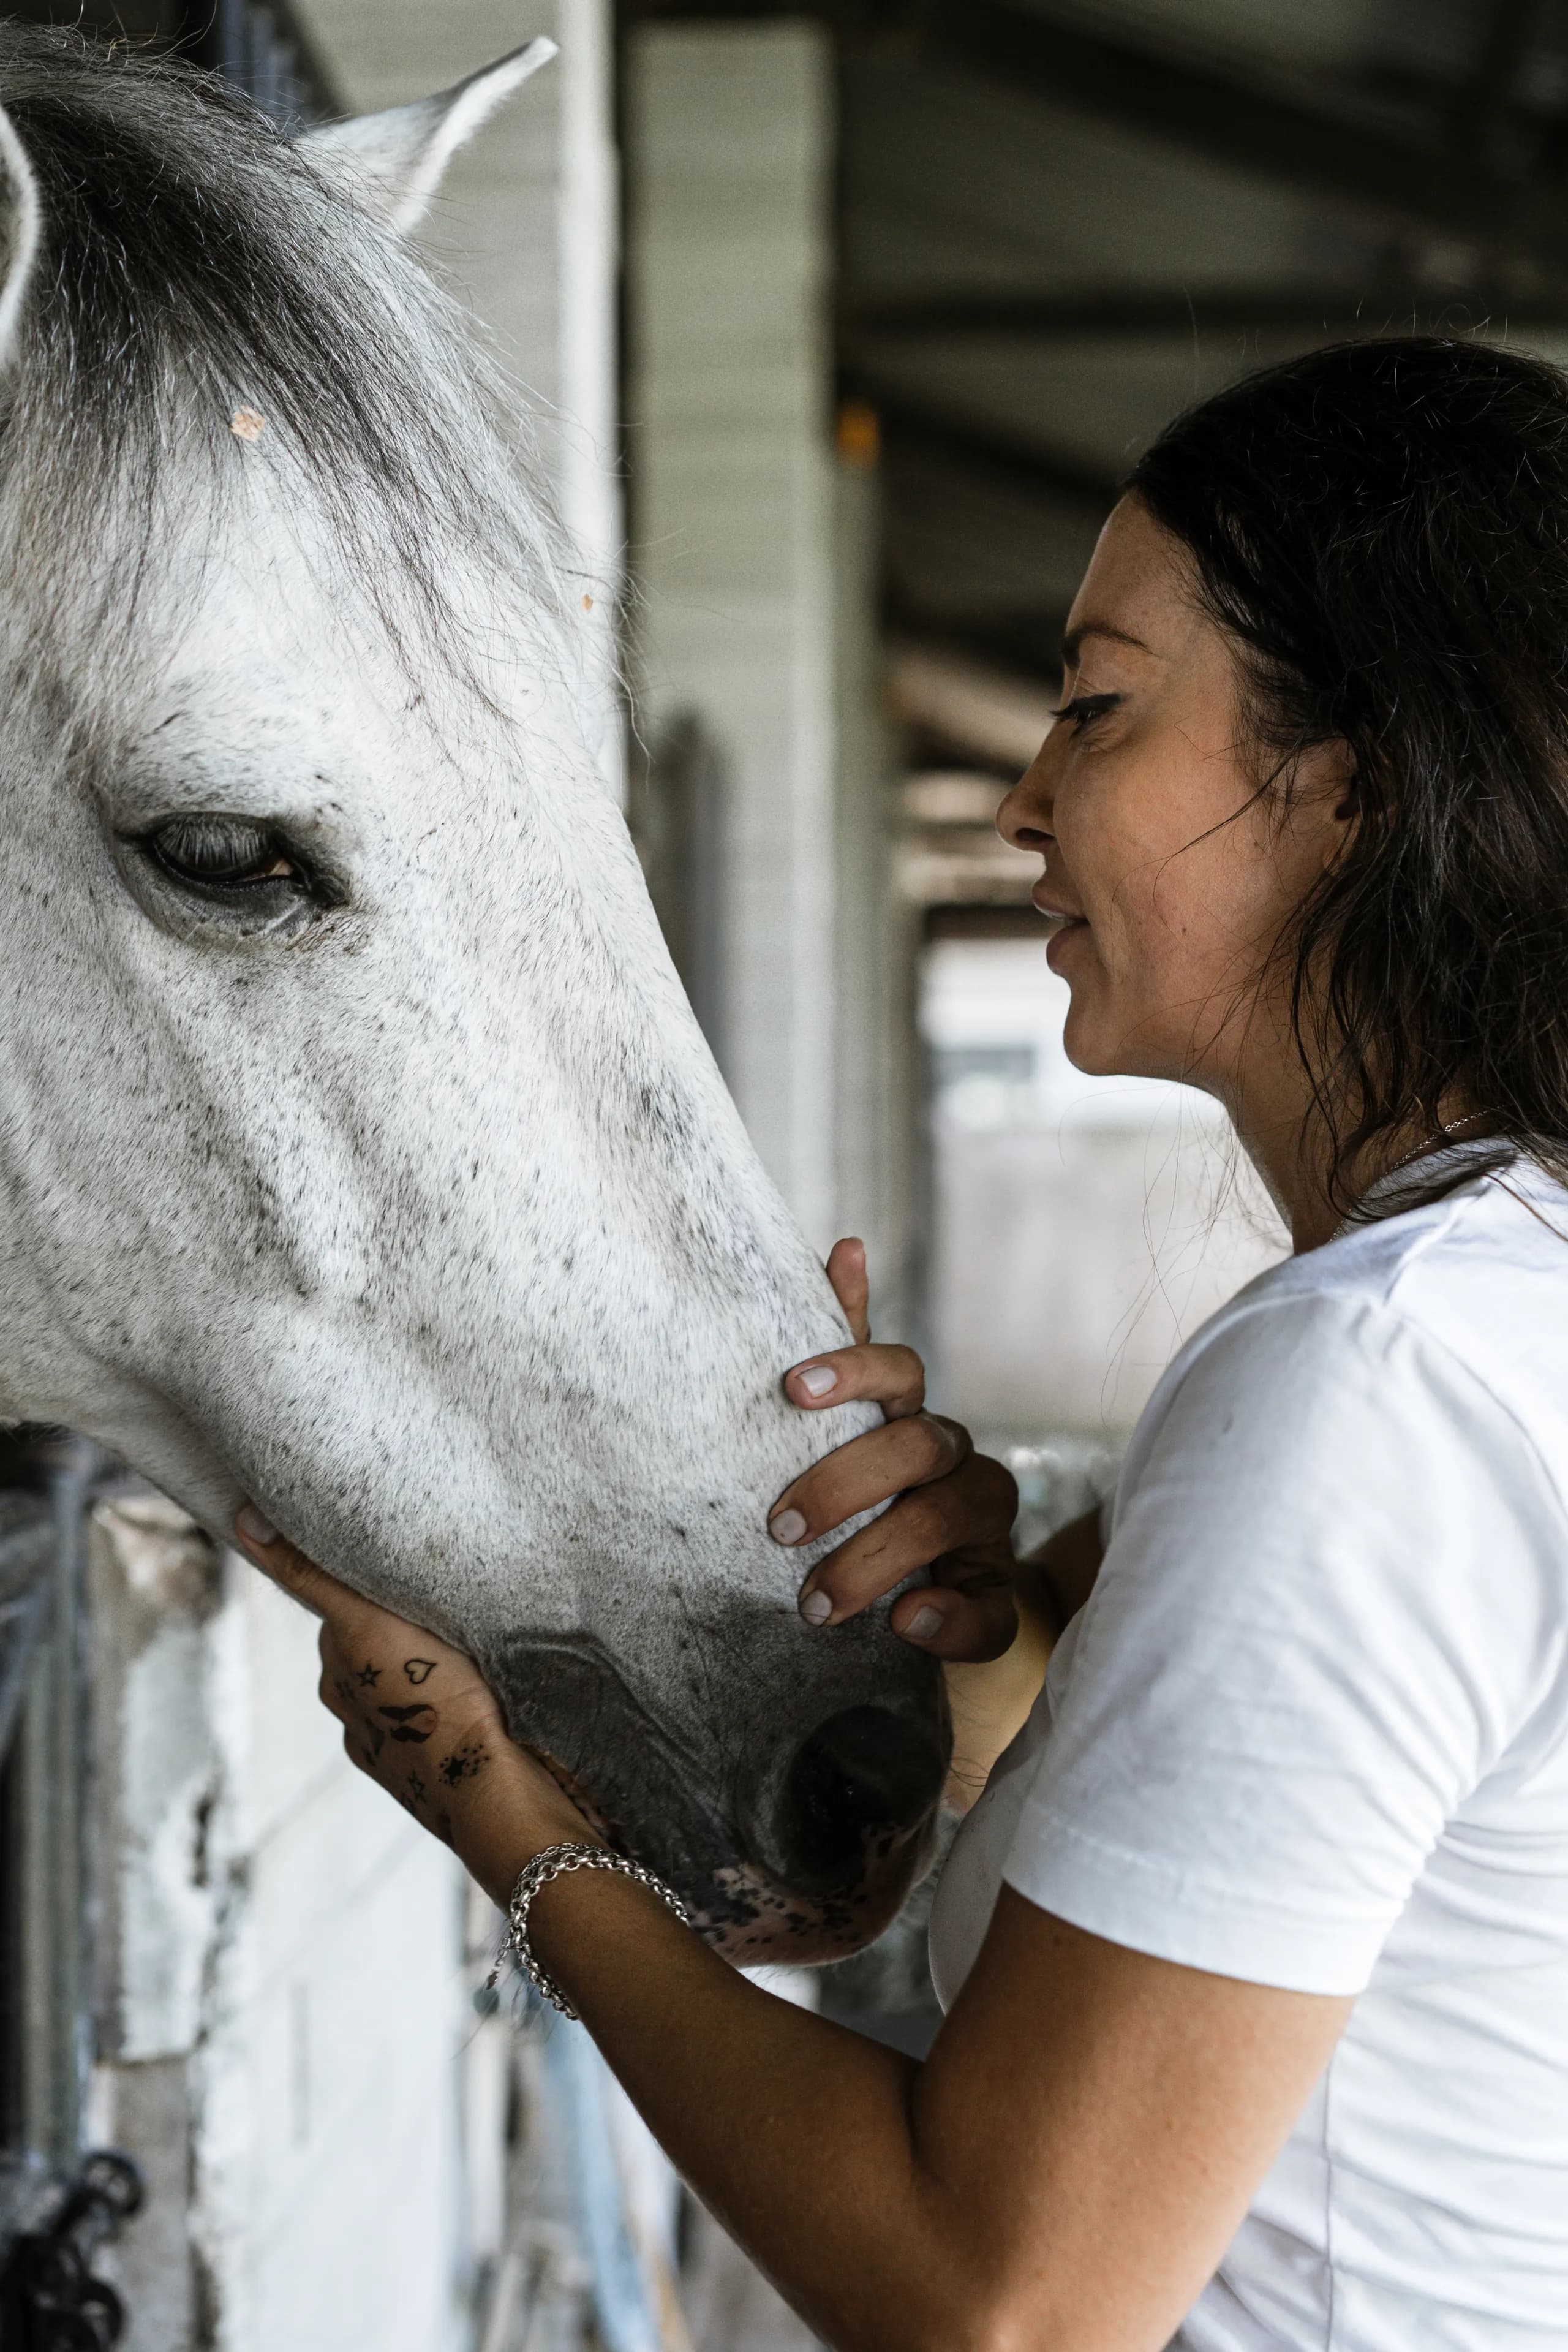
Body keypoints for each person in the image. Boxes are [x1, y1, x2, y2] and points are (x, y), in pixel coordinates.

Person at [236, 338, 1568, 2349]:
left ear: (1349, 788)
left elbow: (1001, 2301)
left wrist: (507, 1816)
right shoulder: (1482, 1312)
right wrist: (967, 1615)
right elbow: (1266, 1877)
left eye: (1099, 706)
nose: (1027, 795)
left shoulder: (1375, 1383)